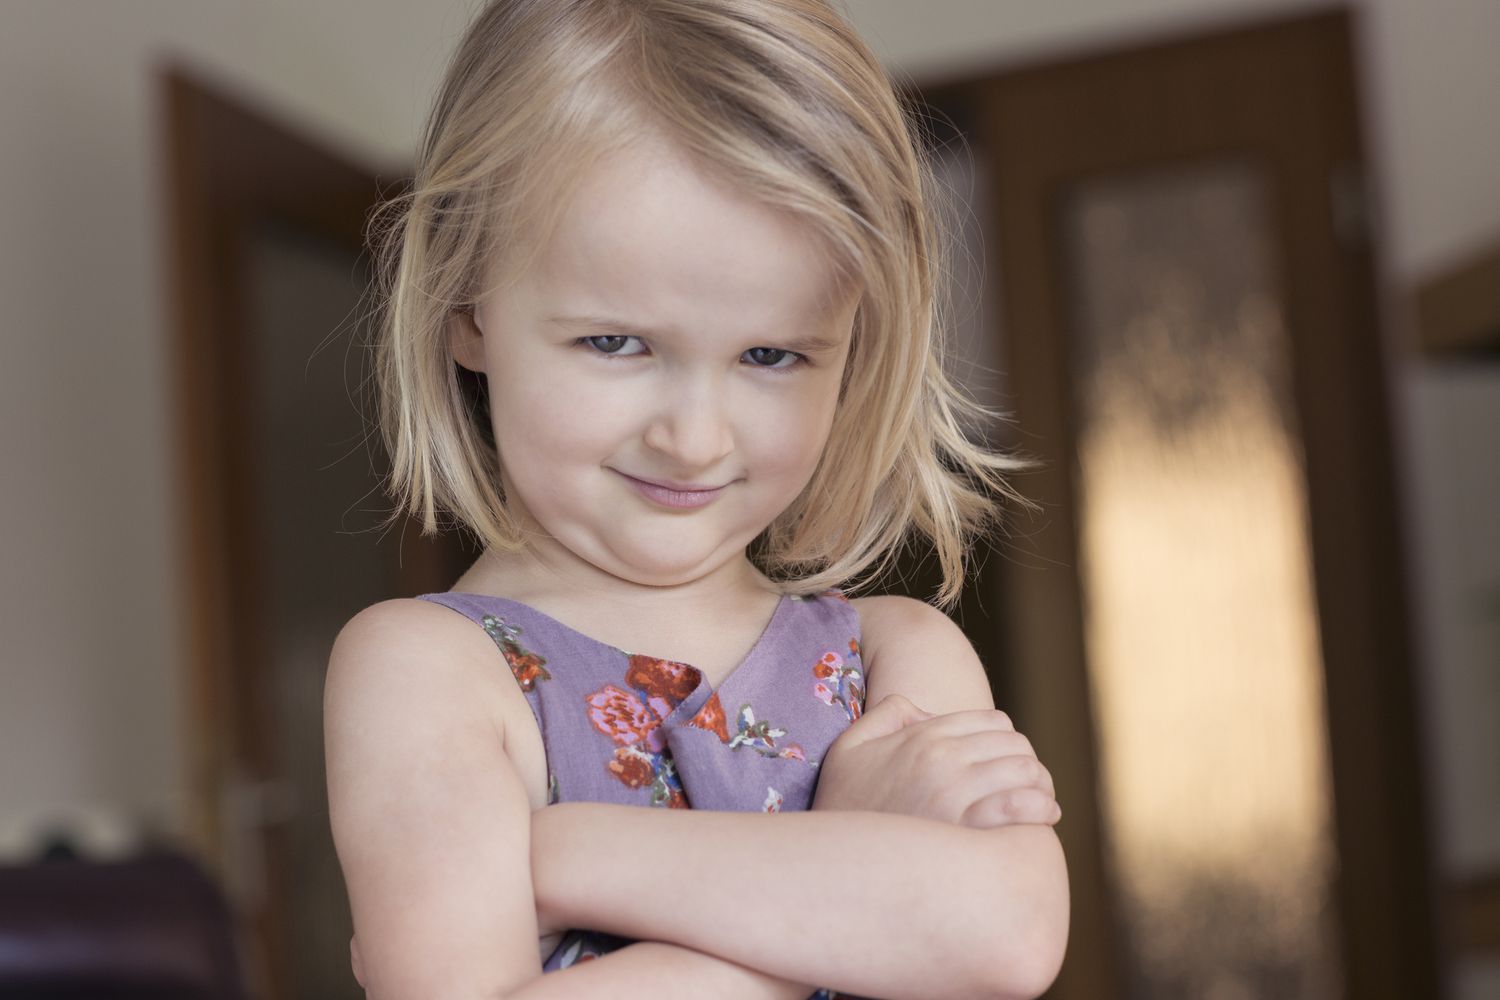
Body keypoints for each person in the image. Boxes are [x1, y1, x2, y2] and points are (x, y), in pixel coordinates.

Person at [323, 1, 1070, 997]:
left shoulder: (898, 656)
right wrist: (850, 875)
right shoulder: (427, 672)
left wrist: (565, 854)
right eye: (616, 342)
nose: (695, 436)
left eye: (770, 355)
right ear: (468, 305)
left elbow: (1006, 938)